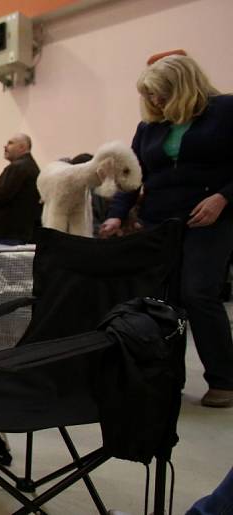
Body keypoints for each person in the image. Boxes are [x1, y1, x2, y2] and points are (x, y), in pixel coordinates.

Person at [100, 53, 233, 408]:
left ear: (183, 87)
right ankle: (168, 377)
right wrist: (116, 215)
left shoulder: (225, 110)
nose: (156, 102)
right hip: (161, 222)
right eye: (150, 96)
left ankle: (224, 379)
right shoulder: (149, 128)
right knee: (163, 301)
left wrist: (223, 197)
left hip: (210, 218)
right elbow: (133, 175)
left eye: (161, 94)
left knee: (198, 293)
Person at [0, 133, 41, 245]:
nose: (5, 146)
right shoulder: (28, 166)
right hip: (17, 233)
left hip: (7, 234)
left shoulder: (18, 167)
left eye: (10, 143)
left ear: (22, 147)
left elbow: (0, 196)